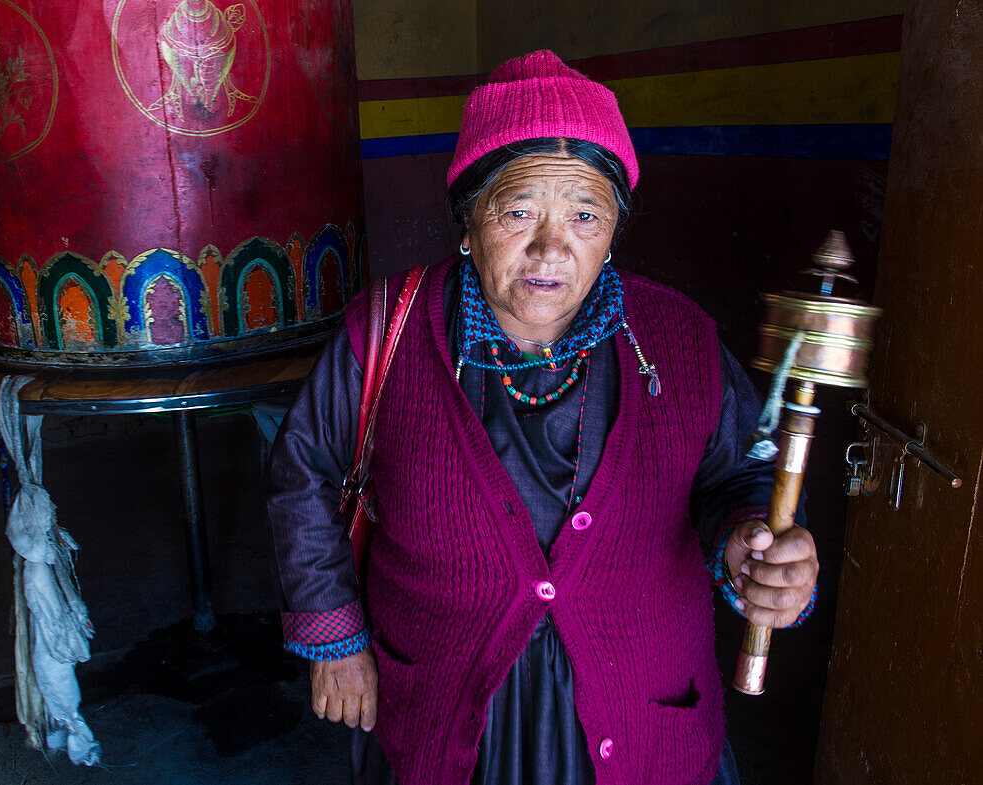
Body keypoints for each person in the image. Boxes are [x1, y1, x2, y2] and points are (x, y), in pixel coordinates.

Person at [267, 50, 819, 785]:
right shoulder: (388, 331)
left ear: (614, 230)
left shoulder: (680, 341)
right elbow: (302, 466)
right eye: (519, 210)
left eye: (585, 214)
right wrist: (335, 637)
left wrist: (753, 541)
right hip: (444, 700)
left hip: (641, 706)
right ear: (468, 224)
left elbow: (739, 473)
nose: (551, 246)